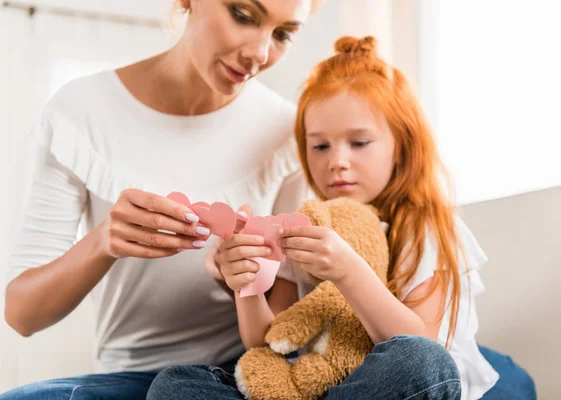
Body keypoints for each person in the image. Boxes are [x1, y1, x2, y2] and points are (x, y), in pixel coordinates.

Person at [147, 36, 536, 399]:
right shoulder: (305, 228)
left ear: (400, 147)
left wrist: (348, 271)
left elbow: (420, 343)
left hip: (390, 383)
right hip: (313, 385)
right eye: (319, 146)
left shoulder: (424, 229)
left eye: (359, 143)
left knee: (422, 362)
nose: (337, 162)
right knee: (175, 384)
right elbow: (268, 344)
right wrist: (246, 284)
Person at [1, 1, 321, 399]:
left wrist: (237, 280)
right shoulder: (79, 111)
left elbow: (289, 324)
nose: (259, 53)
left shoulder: (287, 132)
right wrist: (104, 242)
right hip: (125, 380)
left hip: (237, 377)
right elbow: (22, 314)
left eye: (283, 34)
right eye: (243, 15)